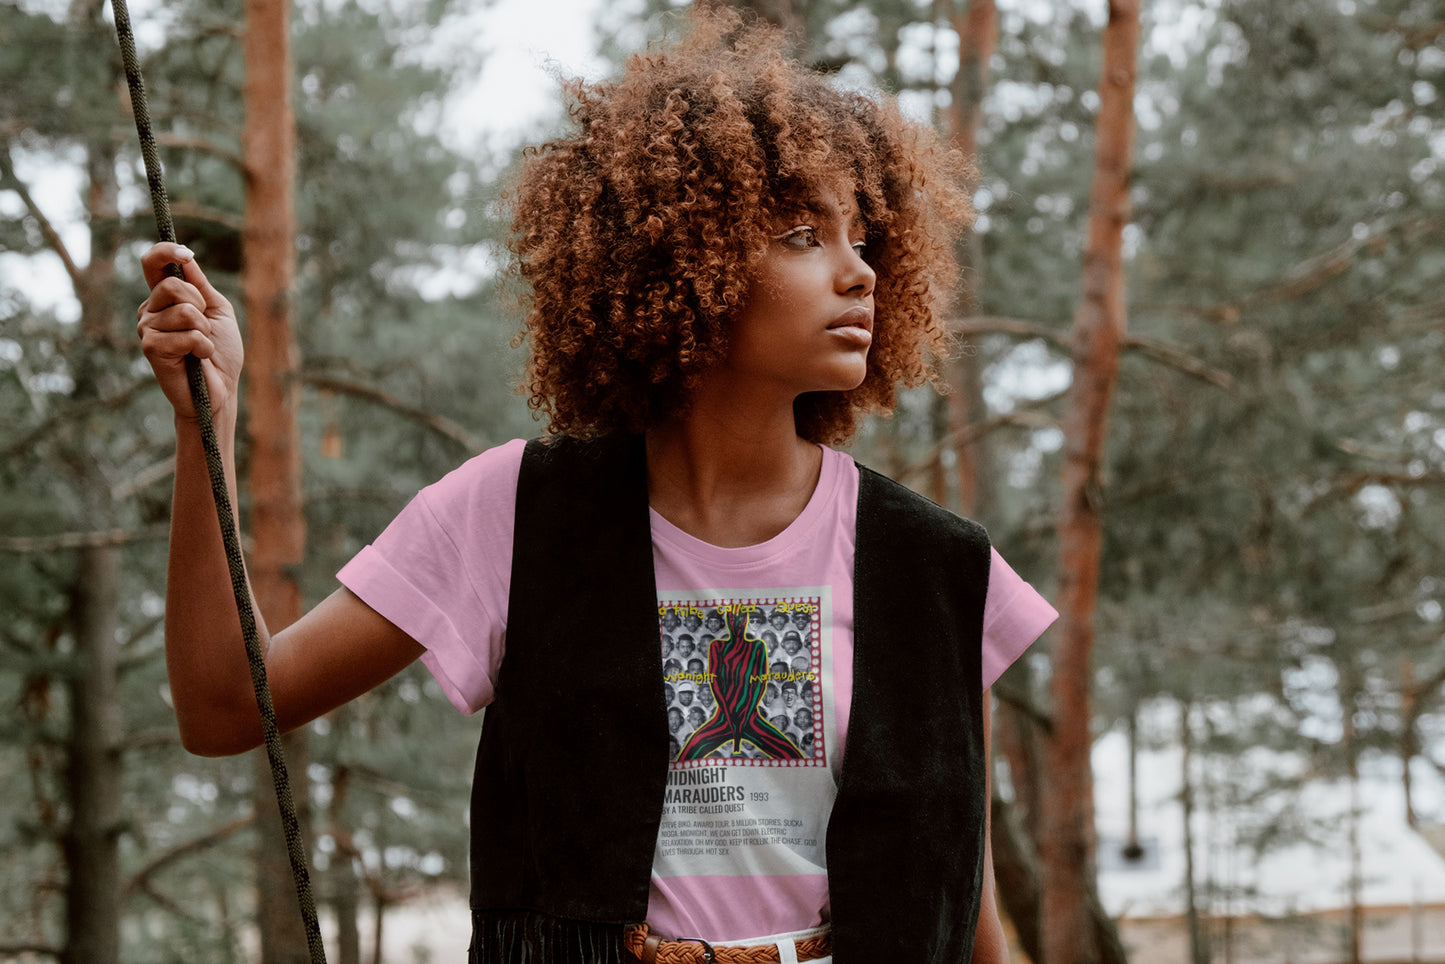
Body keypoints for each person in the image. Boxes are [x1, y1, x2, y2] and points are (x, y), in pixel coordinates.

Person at [135, 9, 1056, 963]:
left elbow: (967, 907)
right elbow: (223, 707)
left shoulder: (942, 570)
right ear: (677, 254)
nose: (858, 271)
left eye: (862, 237)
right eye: (798, 233)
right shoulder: (514, 514)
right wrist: (209, 419)